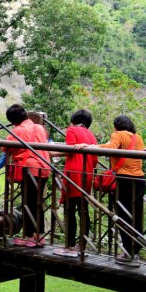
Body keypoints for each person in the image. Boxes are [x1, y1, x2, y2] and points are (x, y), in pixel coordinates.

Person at [79, 115, 145, 265]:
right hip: (140, 180)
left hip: (125, 180)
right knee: (136, 216)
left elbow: (111, 147)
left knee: (123, 215)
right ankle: (135, 251)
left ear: (116, 125)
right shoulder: (138, 137)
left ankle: (128, 251)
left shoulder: (118, 134)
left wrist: (90, 147)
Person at [53, 109, 98, 257]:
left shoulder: (72, 130)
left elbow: (70, 149)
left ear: (73, 121)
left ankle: (70, 246)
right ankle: (82, 245)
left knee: (69, 209)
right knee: (83, 210)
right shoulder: (91, 135)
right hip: (88, 174)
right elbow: (95, 159)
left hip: (74, 174)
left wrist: (51, 152)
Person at [5, 104, 52, 248]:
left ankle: (29, 237)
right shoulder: (39, 127)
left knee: (28, 203)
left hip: (30, 169)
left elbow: (6, 147)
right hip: (44, 167)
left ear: (13, 120)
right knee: (37, 203)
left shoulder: (17, 130)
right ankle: (39, 236)